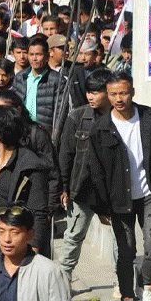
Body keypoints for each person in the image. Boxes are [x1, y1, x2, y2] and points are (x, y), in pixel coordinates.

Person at [85, 72, 151, 301]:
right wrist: (101, 206)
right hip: (119, 199)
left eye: (124, 93)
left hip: (150, 194)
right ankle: (127, 294)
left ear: (133, 92)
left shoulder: (150, 118)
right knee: (126, 250)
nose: (119, 99)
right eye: (114, 94)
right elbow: (95, 170)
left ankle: (147, 285)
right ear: (108, 96)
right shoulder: (101, 128)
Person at [0, 106, 51, 267]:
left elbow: (39, 213)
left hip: (16, 254)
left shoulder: (30, 167)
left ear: (0, 134)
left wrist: (30, 258)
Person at [56, 68, 112, 277]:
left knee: (120, 240)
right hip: (82, 188)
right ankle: (63, 279)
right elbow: (66, 154)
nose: (90, 96)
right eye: (89, 91)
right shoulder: (77, 117)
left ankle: (121, 283)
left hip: (112, 190)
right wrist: (64, 187)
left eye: (96, 92)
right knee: (73, 236)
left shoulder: (120, 117)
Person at [13, 35, 61, 131]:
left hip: (45, 130)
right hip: (22, 128)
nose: (34, 59)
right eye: (31, 54)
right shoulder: (20, 77)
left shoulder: (57, 80)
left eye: (38, 54)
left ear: (47, 56)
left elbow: (60, 111)